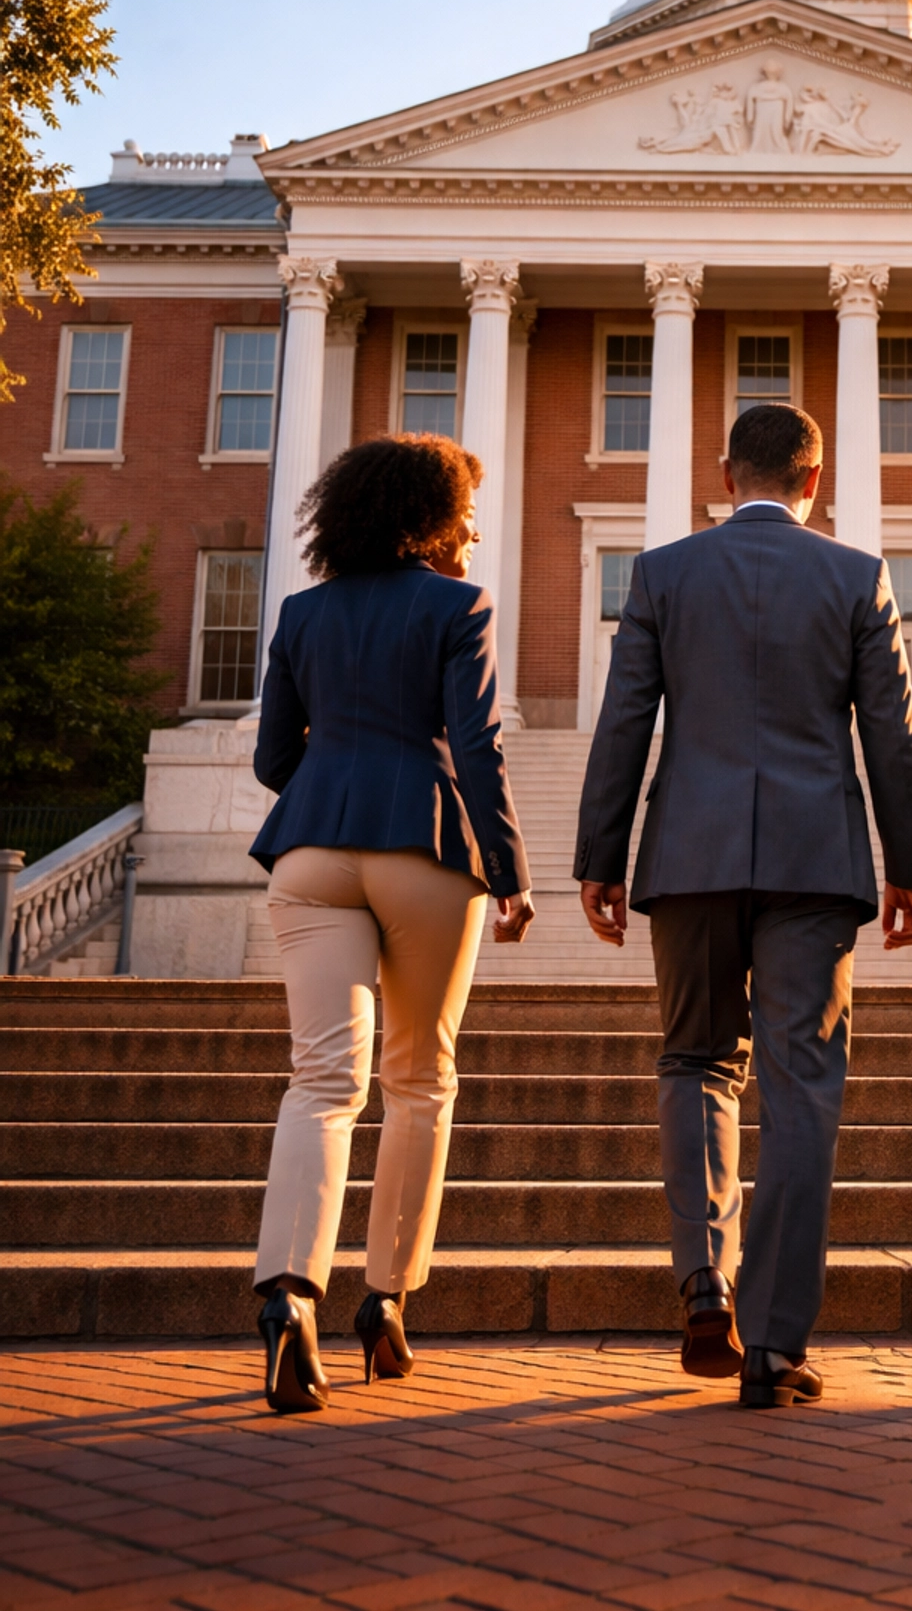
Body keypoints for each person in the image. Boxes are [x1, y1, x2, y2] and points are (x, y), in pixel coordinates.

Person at [574, 402, 912, 1408]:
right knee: (803, 1085)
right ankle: (776, 1344)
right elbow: (892, 734)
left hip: (689, 853)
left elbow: (623, 723)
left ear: (726, 474)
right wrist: (909, 862)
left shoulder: (660, 574)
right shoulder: (858, 574)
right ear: (813, 480)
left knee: (695, 1060)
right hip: (816, 862)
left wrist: (600, 855)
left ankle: (703, 1281)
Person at [248, 433, 533, 1415]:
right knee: (419, 1078)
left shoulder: (302, 611)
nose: (473, 531)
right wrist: (509, 874)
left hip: (310, 848)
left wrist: (335, 783)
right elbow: (480, 746)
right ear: (429, 518)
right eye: (463, 512)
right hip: (423, 845)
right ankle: (385, 1302)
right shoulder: (459, 606)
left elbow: (272, 758)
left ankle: (289, 1294)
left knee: (322, 1079)